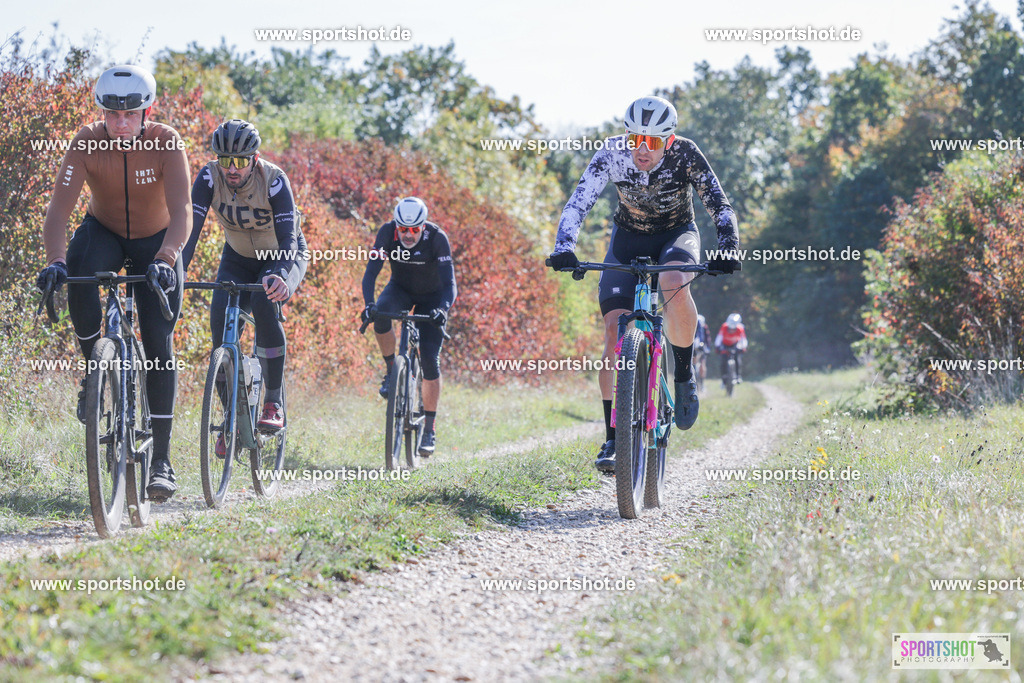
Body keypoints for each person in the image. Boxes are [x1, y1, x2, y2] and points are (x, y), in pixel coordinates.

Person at [548, 95, 740, 473]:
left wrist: (729, 247)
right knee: (613, 328)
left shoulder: (686, 153)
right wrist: (564, 246)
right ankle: (613, 437)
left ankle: (683, 374)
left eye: (652, 142)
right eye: (635, 138)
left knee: (672, 281)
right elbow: (578, 202)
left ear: (668, 140)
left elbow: (720, 206)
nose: (642, 149)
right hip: (628, 238)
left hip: (676, 235)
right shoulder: (612, 152)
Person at [35, 64, 191, 502]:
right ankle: (96, 369)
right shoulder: (86, 141)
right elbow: (58, 213)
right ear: (102, 111)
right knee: (79, 277)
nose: (120, 123)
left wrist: (166, 258)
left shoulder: (167, 143)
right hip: (103, 229)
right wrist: (55, 261)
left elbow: (183, 211)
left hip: (157, 241)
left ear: (146, 111)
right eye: (111, 114)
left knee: (160, 345)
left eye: (130, 114)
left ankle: (161, 459)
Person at [182, 119, 308, 449]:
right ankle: (231, 417)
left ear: (254, 158)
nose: (232, 169)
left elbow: (289, 241)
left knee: (266, 302)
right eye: (225, 160)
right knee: (220, 327)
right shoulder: (209, 177)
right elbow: (190, 232)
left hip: (281, 254)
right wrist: (176, 270)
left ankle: (272, 401)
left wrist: (280, 273)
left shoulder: (275, 181)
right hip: (237, 258)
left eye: (240, 161)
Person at [361, 197, 457, 457]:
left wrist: (442, 310)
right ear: (396, 225)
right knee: (380, 315)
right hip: (401, 289)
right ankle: (393, 370)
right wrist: (369, 304)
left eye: (415, 229)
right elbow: (371, 272)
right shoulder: (386, 233)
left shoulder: (437, 238)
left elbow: (450, 285)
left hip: (433, 298)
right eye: (403, 229)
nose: (408, 234)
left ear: (423, 226)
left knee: (429, 358)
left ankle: (429, 427)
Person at [714, 313, 748, 383]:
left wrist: (743, 347)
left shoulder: (740, 328)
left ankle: (738, 376)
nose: (732, 330)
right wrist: (717, 346)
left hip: (735, 344)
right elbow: (719, 337)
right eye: (730, 329)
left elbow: (743, 339)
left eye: (733, 329)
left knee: (737, 358)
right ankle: (724, 377)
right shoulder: (724, 327)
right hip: (725, 344)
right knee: (723, 360)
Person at [693, 313, 710, 391]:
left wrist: (707, 348)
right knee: (693, 363)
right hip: (694, 346)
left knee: (702, 365)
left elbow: (707, 339)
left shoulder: (704, 328)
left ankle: (702, 384)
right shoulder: (693, 326)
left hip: (702, 347)